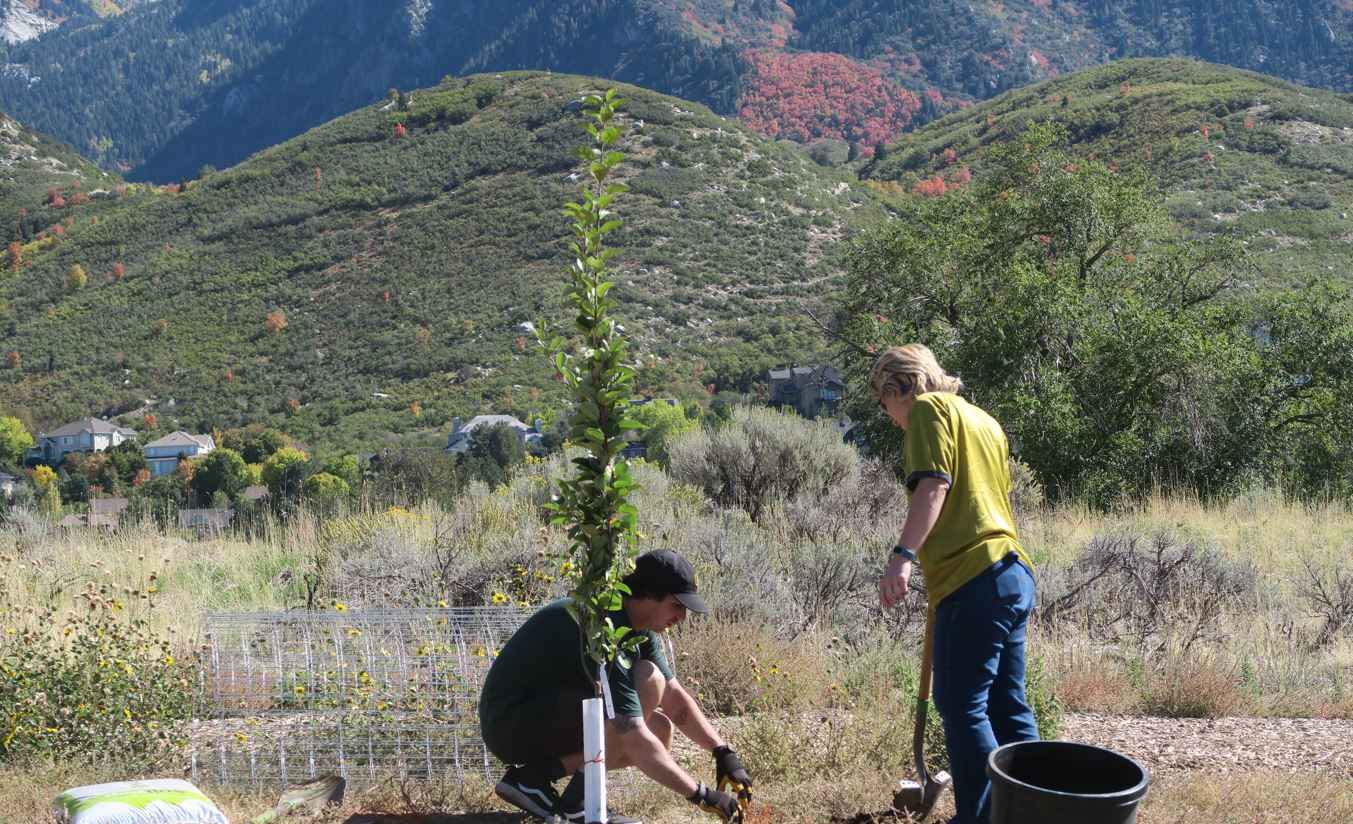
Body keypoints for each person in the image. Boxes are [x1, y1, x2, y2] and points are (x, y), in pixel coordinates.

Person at [870, 344, 1039, 824]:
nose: (893, 419)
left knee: (962, 707)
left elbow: (934, 485)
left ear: (897, 387)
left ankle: (981, 819)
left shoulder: (926, 408)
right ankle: (1039, 809)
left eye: (887, 407)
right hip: (1012, 573)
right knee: (1008, 707)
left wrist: (902, 558)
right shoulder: (983, 420)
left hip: (973, 579)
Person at [479, 548, 752, 824]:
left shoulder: (637, 625)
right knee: (647, 682)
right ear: (649, 593)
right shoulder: (605, 624)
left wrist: (723, 752)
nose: (682, 617)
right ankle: (579, 802)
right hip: (510, 722)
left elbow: (674, 697)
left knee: (659, 730)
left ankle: (532, 781)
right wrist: (701, 795)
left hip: (535, 713)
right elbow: (631, 735)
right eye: (677, 605)